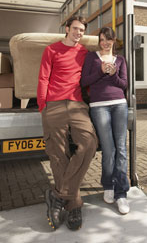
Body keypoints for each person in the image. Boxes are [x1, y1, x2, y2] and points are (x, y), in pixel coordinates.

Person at [37, 16, 98, 231]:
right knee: (57, 152)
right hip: (53, 104)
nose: (78, 33)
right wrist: (43, 105)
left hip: (77, 104)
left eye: (82, 30)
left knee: (89, 143)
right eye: (75, 29)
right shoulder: (51, 50)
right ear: (67, 29)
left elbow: (91, 77)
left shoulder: (85, 54)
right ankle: (74, 204)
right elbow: (43, 77)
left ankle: (59, 195)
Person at [81, 26, 130, 215]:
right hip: (99, 106)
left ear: (113, 41)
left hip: (119, 104)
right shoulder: (91, 58)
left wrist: (113, 74)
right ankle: (108, 185)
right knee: (108, 150)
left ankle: (121, 193)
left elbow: (124, 85)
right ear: (99, 41)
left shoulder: (121, 60)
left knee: (121, 149)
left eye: (108, 39)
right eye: (102, 39)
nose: (105, 43)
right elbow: (84, 81)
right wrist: (101, 71)